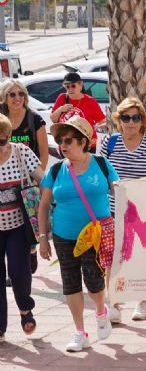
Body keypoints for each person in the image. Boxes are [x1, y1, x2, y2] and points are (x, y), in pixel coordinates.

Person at [38, 116, 119, 352]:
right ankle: (79, 332)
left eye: (69, 140)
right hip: (65, 235)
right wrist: (43, 238)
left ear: (83, 142)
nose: (63, 145)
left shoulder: (102, 164)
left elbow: (121, 192)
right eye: (60, 140)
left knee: (94, 282)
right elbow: (43, 205)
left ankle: (101, 310)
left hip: (96, 234)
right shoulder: (55, 170)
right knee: (70, 283)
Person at [99, 98, 146, 323]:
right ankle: (114, 303)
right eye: (126, 118)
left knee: (141, 257)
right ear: (118, 120)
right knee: (113, 258)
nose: (130, 122)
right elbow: (101, 175)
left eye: (135, 117)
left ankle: (142, 301)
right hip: (112, 210)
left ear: (143, 120)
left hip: (143, 213)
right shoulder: (109, 142)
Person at [0, 113, 43, 342]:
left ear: (9, 137)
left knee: (19, 272)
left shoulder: (21, 152)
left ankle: (25, 309)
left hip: (19, 225)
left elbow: (43, 179)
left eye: (1, 141)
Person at [51, 72, 106, 153]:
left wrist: (96, 127)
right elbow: (53, 119)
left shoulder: (90, 101)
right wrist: (61, 109)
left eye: (73, 86)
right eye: (67, 86)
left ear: (80, 85)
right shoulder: (62, 98)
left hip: (86, 144)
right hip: (66, 143)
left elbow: (101, 120)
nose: (70, 89)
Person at [0, 80, 48, 171]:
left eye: (21, 94)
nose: (17, 98)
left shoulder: (35, 119)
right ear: (4, 98)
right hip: (6, 175)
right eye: (12, 95)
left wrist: (37, 181)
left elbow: (44, 154)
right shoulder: (1, 119)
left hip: (31, 176)